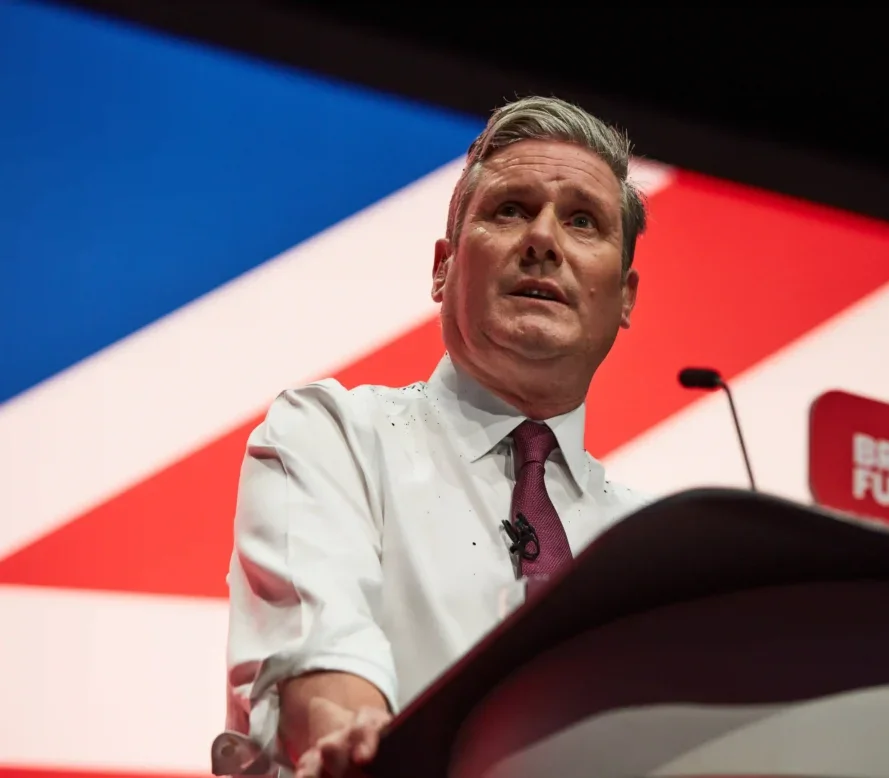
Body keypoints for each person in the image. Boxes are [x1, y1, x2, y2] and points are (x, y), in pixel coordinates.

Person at [224, 95, 652, 778]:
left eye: (582, 221)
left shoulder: (649, 541)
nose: (543, 240)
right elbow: (319, 653)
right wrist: (357, 735)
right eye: (510, 209)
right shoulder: (336, 433)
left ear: (625, 295)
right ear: (443, 267)